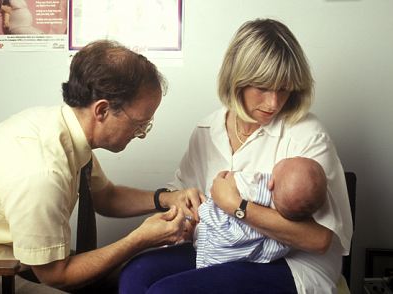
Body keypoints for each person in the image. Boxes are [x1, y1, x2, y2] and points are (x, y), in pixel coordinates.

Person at [0, 40, 203, 293]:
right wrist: (139, 239)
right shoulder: (41, 169)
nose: (142, 132)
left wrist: (166, 198)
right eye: (140, 123)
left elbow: (106, 197)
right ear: (103, 111)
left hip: (10, 258)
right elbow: (56, 275)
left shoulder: (61, 130)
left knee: (134, 276)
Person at [119, 18, 353, 294]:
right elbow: (183, 195)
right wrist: (185, 214)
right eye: (263, 87)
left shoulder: (307, 135)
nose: (274, 103)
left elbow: (320, 240)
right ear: (236, 80)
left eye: (284, 88)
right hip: (220, 249)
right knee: (135, 275)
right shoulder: (207, 130)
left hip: (293, 264)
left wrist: (236, 205)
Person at [195, 156, 327, 268]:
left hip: (213, 233)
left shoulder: (259, 185)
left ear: (271, 184)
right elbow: (264, 253)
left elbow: (227, 183)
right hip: (220, 260)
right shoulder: (283, 243)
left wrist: (230, 195)